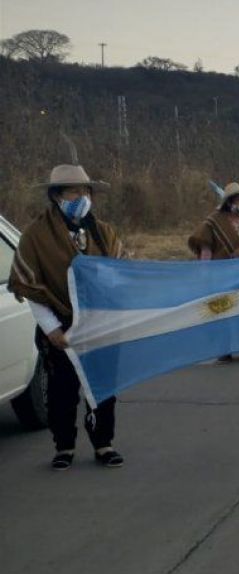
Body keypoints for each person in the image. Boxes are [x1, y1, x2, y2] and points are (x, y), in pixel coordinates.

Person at [7, 165, 127, 470]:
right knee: (62, 391)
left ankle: (104, 443)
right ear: (57, 196)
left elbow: (121, 273)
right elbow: (32, 288)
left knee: (102, 389)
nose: (82, 197)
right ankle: (65, 447)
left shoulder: (104, 232)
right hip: (61, 328)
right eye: (74, 191)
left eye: (86, 191)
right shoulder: (36, 237)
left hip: (100, 325)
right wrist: (52, 329)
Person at [189, 182, 239, 362]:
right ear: (229, 202)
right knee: (222, 311)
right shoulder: (214, 222)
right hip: (221, 275)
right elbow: (206, 249)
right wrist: (204, 272)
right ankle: (223, 349)